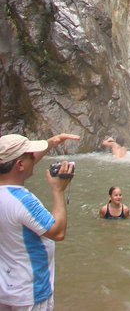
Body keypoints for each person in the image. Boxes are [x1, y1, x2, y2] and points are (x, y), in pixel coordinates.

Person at [0, 132, 80, 310]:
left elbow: (15, 168)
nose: (34, 159)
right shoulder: (23, 200)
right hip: (31, 293)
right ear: (20, 164)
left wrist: (51, 143)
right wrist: (58, 190)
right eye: (30, 156)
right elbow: (57, 232)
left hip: (6, 290)